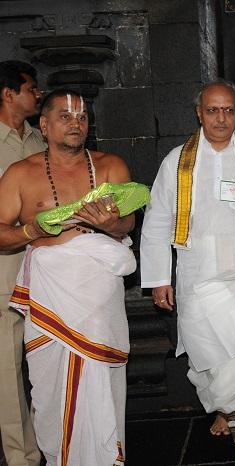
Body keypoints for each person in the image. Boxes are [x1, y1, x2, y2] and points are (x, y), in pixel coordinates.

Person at [140, 80, 235, 466]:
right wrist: (159, 278)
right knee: (208, 361)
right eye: (213, 110)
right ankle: (224, 405)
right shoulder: (177, 161)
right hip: (198, 279)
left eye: (228, 110)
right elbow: (157, 220)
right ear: (199, 113)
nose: (221, 118)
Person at [0, 89, 136, 465]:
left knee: (100, 388)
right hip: (50, 297)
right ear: (43, 125)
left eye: (82, 117)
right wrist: (31, 231)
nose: (76, 123)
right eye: (65, 116)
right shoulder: (21, 173)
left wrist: (112, 223)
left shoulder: (110, 167)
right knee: (51, 394)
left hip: (97, 300)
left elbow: (129, 222)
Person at [0, 60, 44, 466]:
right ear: (8, 93)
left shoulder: (38, 139)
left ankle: (51, 443)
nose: (38, 94)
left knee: (45, 360)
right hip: (4, 265)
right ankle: (21, 457)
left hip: (44, 264)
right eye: (32, 88)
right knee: (8, 370)